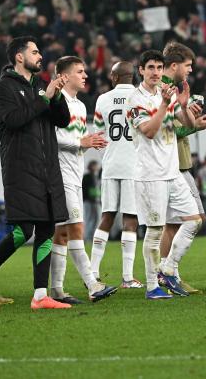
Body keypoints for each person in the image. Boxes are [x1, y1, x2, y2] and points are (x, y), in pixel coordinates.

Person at [0, 36, 72, 310]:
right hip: (20, 169)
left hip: (47, 168)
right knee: (22, 230)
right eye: (35, 52)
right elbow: (15, 120)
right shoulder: (4, 87)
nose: (40, 56)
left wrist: (57, 94)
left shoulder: (41, 85)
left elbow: (62, 120)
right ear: (19, 57)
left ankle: (40, 295)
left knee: (46, 229)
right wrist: (45, 96)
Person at [126, 48, 200, 300]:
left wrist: (182, 104)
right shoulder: (135, 99)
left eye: (159, 67)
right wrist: (165, 104)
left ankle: (168, 268)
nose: (156, 72)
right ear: (141, 71)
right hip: (150, 174)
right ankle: (151, 286)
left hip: (172, 172)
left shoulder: (164, 93)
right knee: (156, 230)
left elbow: (189, 123)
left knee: (194, 220)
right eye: (151, 68)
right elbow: (148, 130)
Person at [49, 55, 117, 305]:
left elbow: (75, 141)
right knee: (76, 227)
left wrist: (88, 143)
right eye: (80, 71)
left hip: (74, 174)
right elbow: (51, 138)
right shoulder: (56, 102)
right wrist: (82, 142)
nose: (85, 75)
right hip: (60, 175)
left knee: (62, 234)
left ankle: (56, 289)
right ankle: (92, 284)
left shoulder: (79, 105)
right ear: (64, 76)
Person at [157, 42, 206, 295]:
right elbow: (165, 131)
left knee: (175, 224)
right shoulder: (161, 90)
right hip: (171, 166)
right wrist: (194, 125)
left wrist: (190, 116)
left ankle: (169, 274)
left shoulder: (174, 90)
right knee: (188, 220)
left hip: (181, 164)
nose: (190, 70)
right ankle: (167, 272)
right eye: (188, 65)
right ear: (175, 65)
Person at [90, 61, 143, 288]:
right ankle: (127, 277)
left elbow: (98, 132)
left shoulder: (102, 99)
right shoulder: (141, 97)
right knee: (130, 219)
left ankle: (92, 273)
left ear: (115, 77)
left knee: (107, 216)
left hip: (111, 165)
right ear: (131, 76)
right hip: (134, 165)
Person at [82, 160, 101, 241]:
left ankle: (93, 237)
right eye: (95, 165)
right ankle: (87, 237)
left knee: (97, 219)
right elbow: (85, 189)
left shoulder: (97, 177)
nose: (96, 167)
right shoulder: (86, 176)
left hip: (96, 202)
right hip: (88, 201)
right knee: (89, 219)